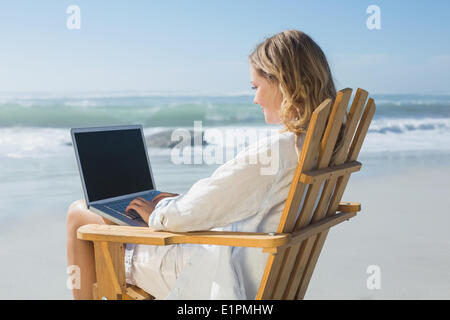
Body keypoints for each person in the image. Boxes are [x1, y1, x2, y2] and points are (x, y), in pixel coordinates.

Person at [66, 29, 337, 300]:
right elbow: (224, 200)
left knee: (79, 214)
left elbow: (192, 212)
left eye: (256, 87)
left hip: (219, 275)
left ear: (282, 82)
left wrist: (158, 212)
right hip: (259, 270)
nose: (255, 99)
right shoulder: (316, 147)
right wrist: (175, 202)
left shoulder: (277, 150)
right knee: (117, 216)